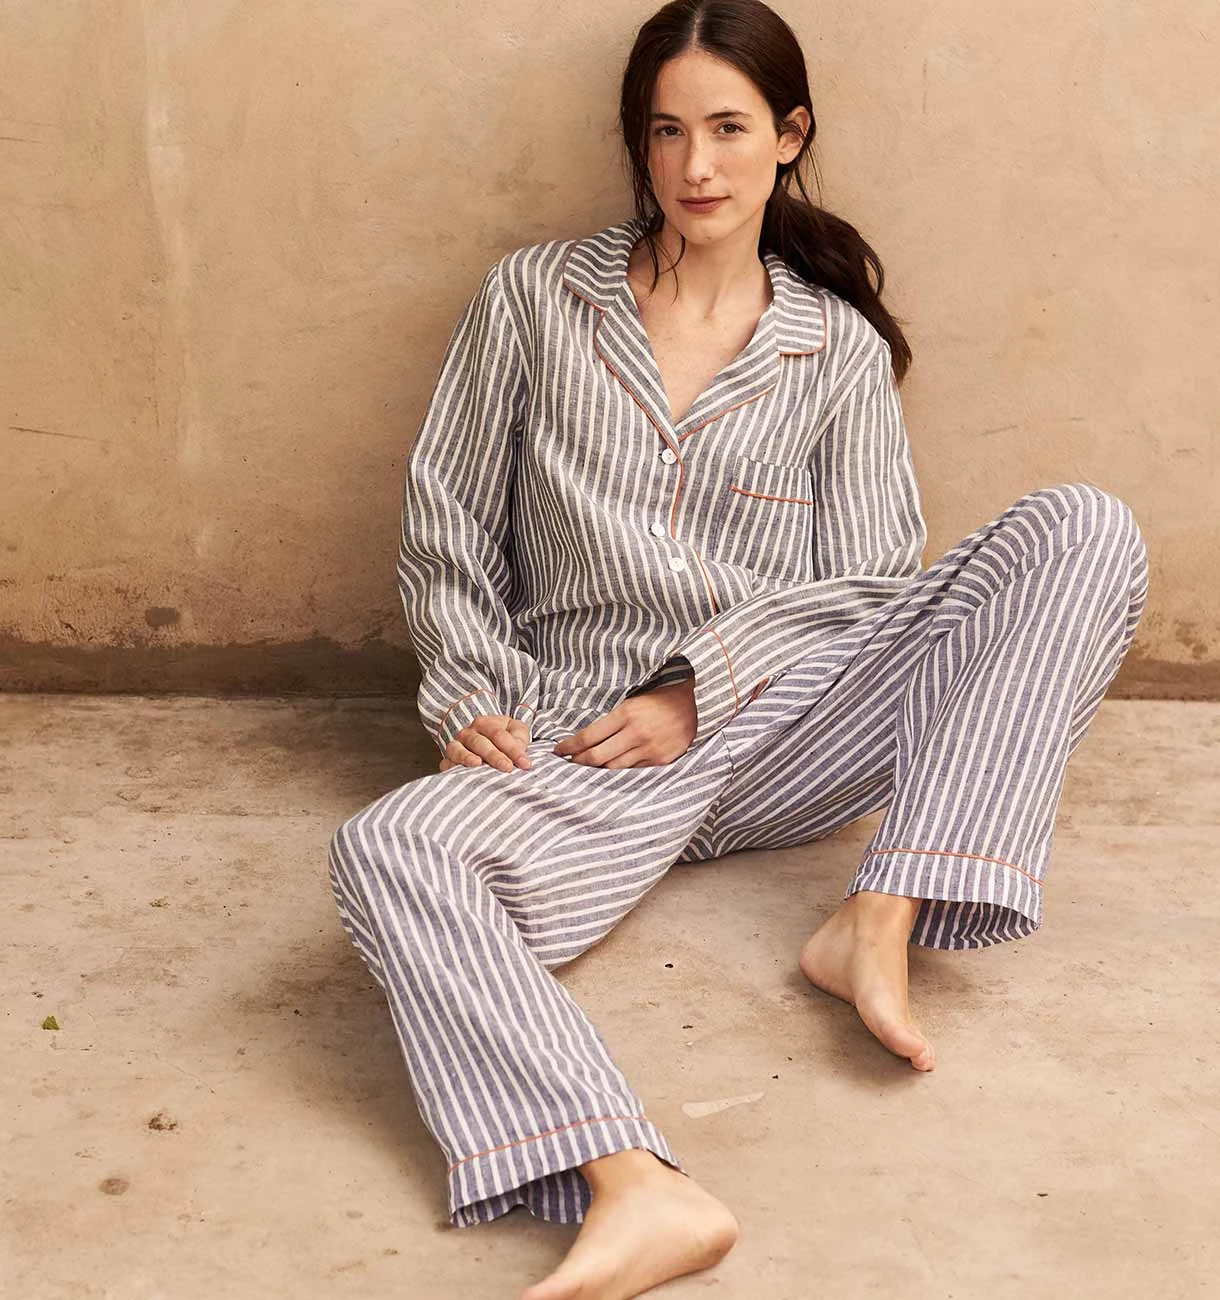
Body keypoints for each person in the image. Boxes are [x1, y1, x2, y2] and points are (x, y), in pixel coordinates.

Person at [328, 1, 1149, 1296]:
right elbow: (449, 526)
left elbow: (872, 584)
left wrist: (699, 689)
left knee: (1084, 529)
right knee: (386, 849)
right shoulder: (533, 300)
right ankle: (628, 1181)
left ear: (789, 135)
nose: (696, 167)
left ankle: (879, 916)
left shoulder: (835, 349)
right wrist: (472, 697)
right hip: (584, 748)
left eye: (726, 128)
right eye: (666, 133)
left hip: (784, 732)